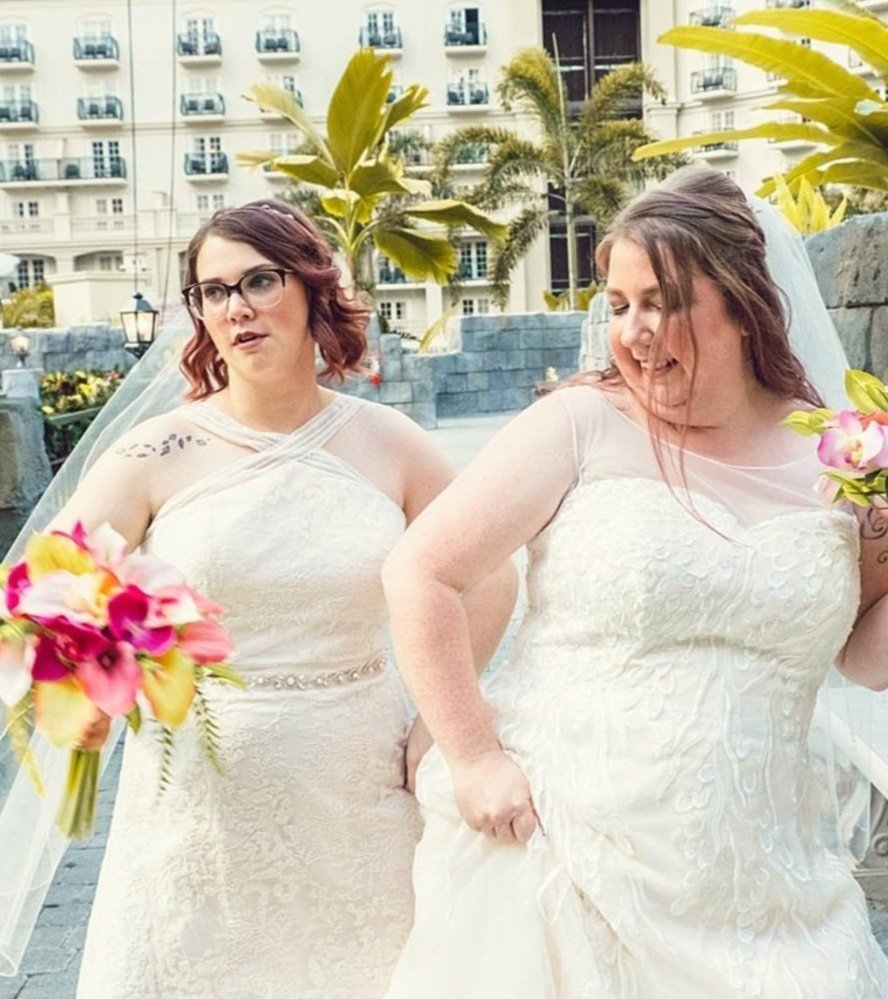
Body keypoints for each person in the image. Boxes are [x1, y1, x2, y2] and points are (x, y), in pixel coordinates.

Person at [381, 167, 888, 997]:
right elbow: (420, 570)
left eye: (661, 301)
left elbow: (866, 662)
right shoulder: (577, 425)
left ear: (744, 305)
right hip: (563, 846)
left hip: (766, 877)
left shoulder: (840, 455)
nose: (632, 331)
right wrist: (473, 755)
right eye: (620, 303)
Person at [0, 199, 516, 998]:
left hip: (357, 788)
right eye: (212, 291)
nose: (235, 307)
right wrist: (92, 687)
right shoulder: (154, 452)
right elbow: (39, 595)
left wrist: (433, 727)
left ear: (312, 288)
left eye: (259, 280)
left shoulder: (392, 444)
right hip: (198, 803)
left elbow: (489, 575)